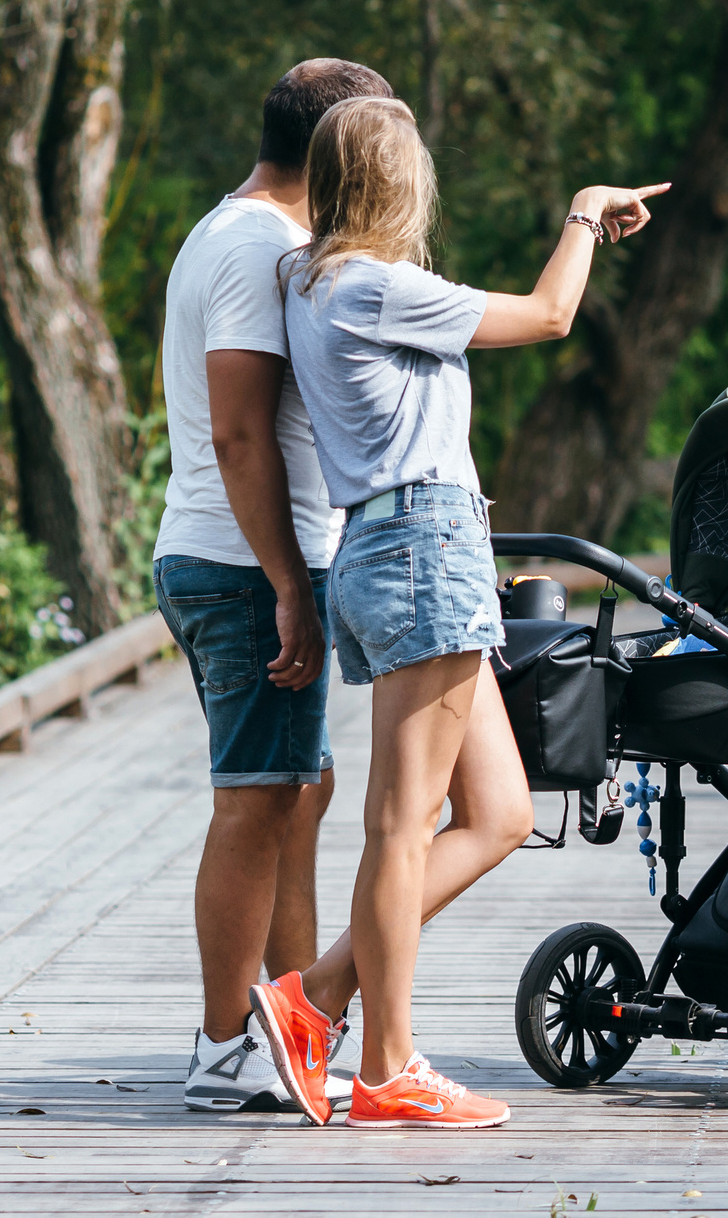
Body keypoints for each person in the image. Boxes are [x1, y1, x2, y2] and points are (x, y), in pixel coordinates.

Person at [248, 94, 667, 1129]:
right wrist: (584, 212)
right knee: (402, 826)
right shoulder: (376, 286)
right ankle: (386, 1067)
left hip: (406, 544)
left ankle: (315, 997)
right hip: (419, 546)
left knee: (501, 813)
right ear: (400, 184)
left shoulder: (308, 278)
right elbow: (551, 314)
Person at [151, 58, 394, 1113]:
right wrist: (290, 583)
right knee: (255, 803)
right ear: (338, 147)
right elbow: (238, 433)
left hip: (244, 559)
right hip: (247, 565)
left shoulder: (237, 230)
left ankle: (293, 1027)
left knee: (300, 790)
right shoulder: (256, 248)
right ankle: (223, 1050)